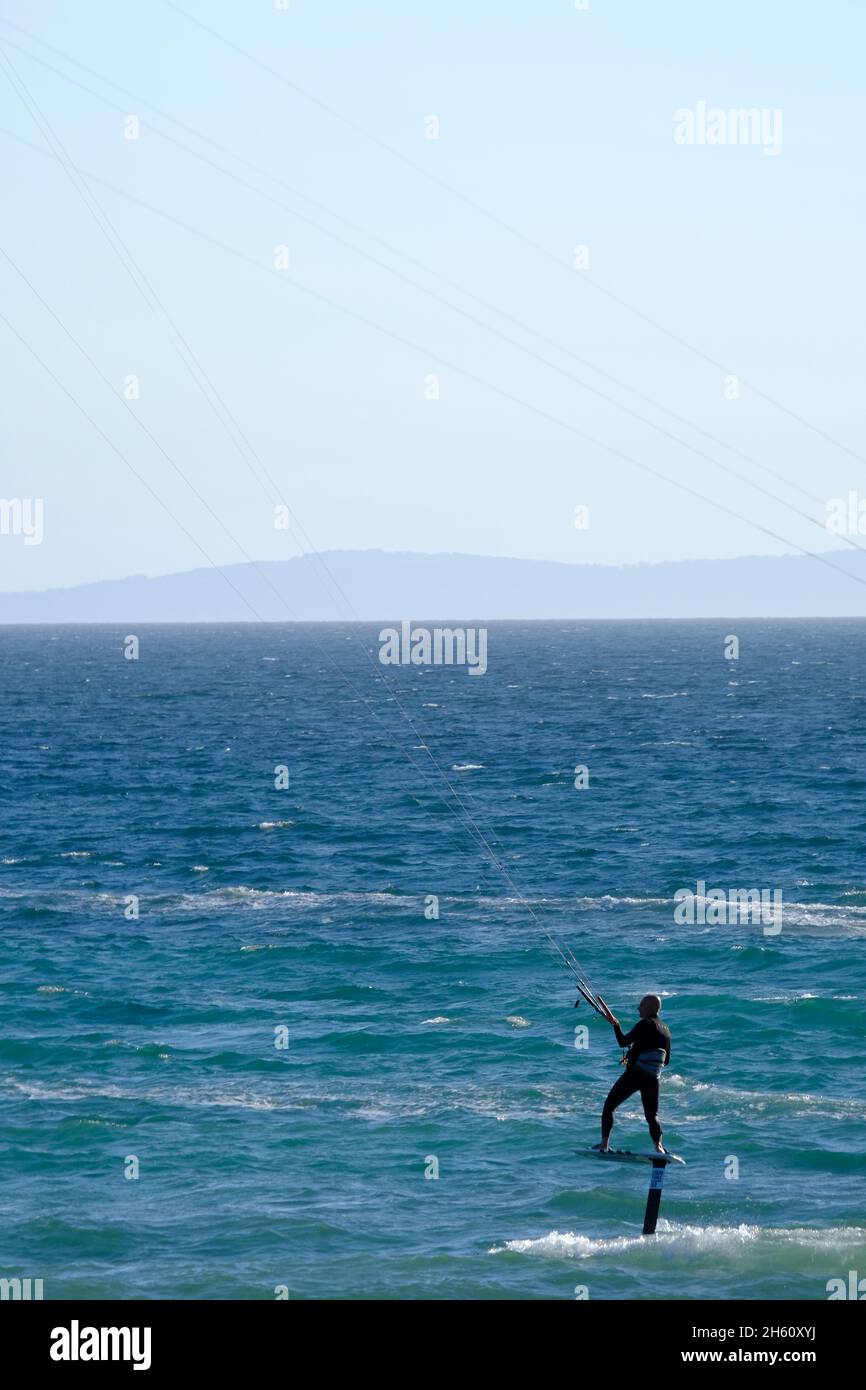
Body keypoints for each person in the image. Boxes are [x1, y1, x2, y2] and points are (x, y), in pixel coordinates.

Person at [593, 993, 671, 1153]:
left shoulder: (645, 1024)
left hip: (637, 1074)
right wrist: (637, 1052)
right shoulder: (666, 1030)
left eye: (641, 1005)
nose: (638, 1008)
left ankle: (604, 1144)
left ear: (649, 1007)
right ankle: (659, 1147)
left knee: (609, 1106)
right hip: (653, 1078)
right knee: (652, 1116)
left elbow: (623, 1041)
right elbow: (666, 1060)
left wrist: (616, 1025)